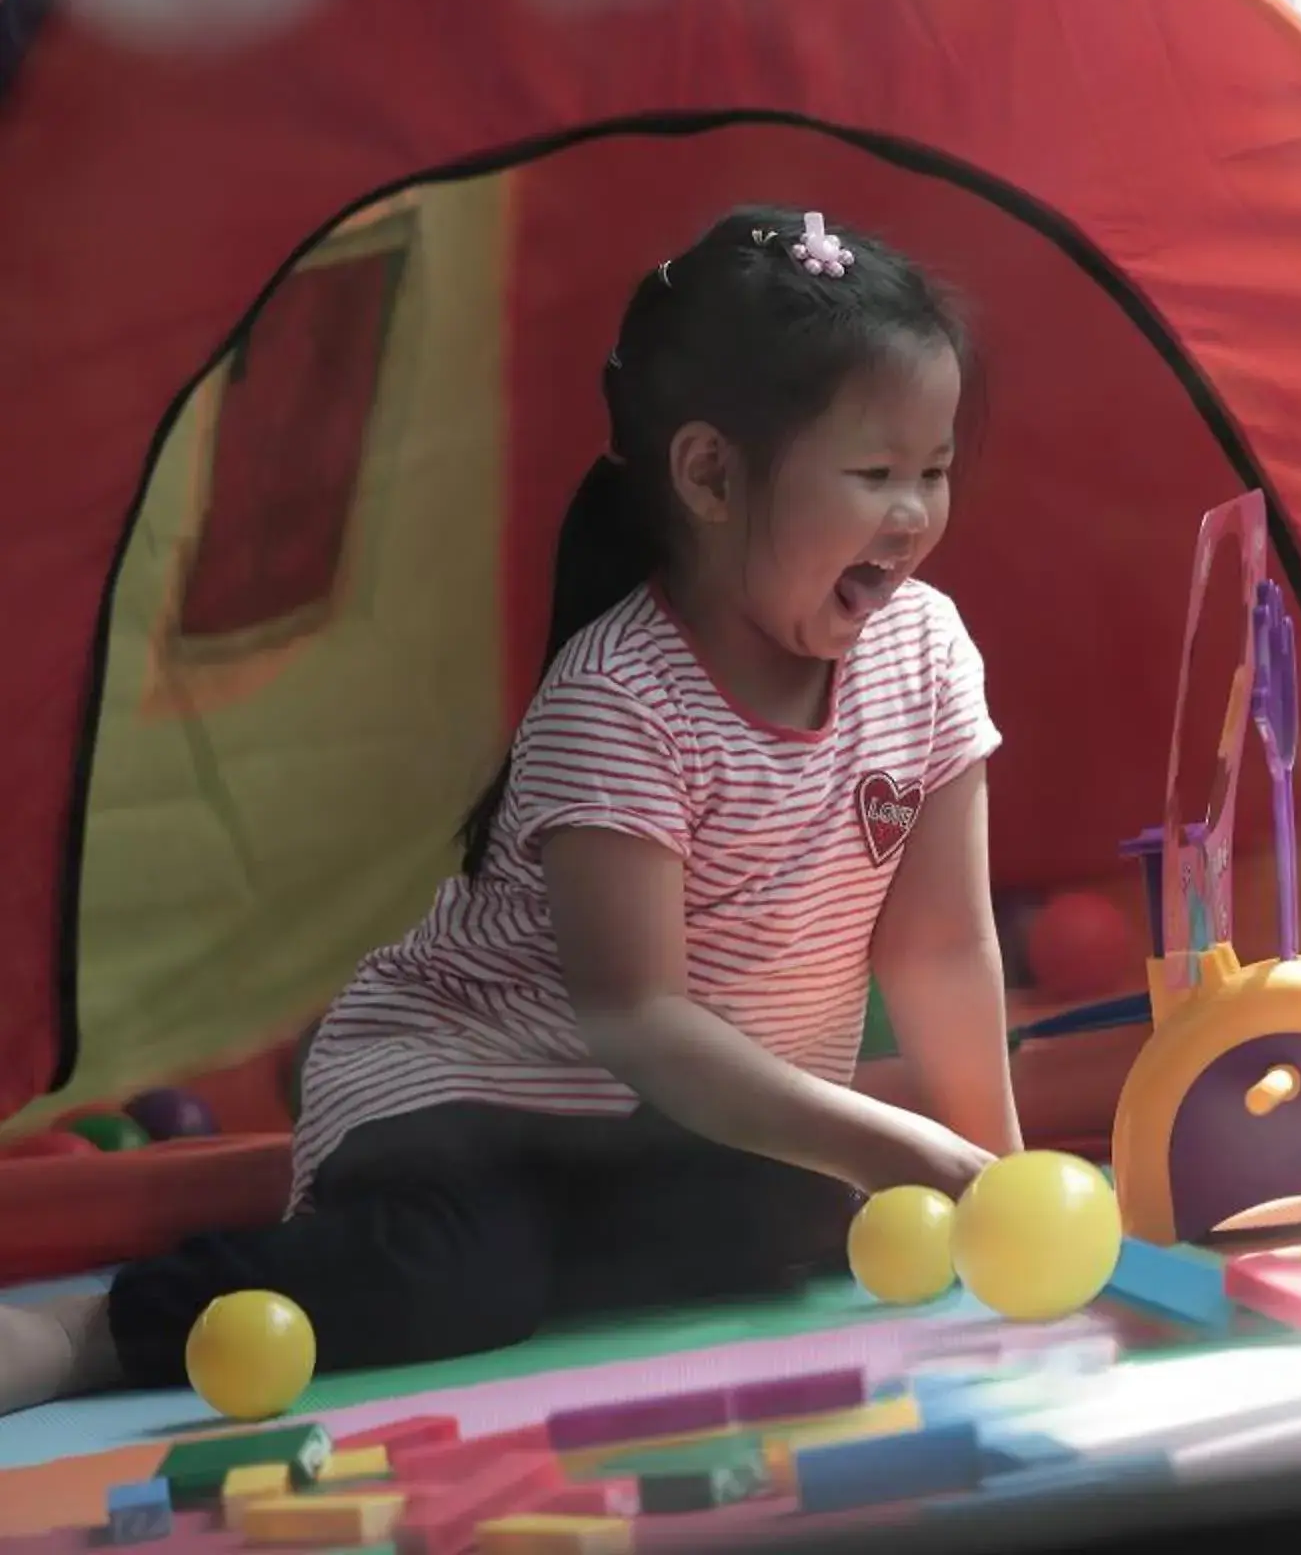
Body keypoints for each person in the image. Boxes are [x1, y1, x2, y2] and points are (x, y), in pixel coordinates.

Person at [0, 205, 1018, 1414]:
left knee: (792, 1215)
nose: (914, 514)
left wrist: (1001, 1172)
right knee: (454, 1279)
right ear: (709, 473)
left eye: (936, 470)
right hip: (461, 1093)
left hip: (649, 1127)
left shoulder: (927, 653)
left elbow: (940, 943)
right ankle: (93, 1330)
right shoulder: (624, 697)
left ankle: (535, 1255)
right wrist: (903, 1146)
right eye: (875, 473)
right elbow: (638, 1015)